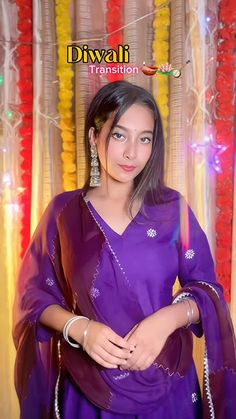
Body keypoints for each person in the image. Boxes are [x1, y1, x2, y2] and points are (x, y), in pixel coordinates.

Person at [13, 81, 236, 419]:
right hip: (87, 391)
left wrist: (165, 320)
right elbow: (34, 297)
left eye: (144, 138)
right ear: (94, 137)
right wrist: (80, 329)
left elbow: (208, 291)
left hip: (168, 386)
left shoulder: (171, 208)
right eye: (119, 135)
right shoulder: (64, 213)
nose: (132, 152)